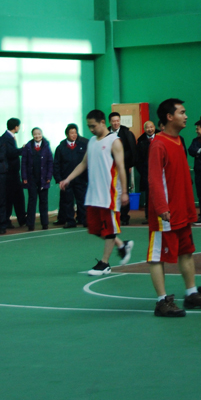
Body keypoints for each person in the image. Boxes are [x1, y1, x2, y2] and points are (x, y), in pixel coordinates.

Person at [147, 99, 201, 317]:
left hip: (182, 211)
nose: (186, 116)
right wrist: (161, 207)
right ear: (169, 117)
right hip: (165, 214)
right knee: (157, 256)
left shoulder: (179, 140)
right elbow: (154, 179)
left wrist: (188, 207)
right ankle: (162, 301)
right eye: (182, 112)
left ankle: (191, 293)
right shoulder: (158, 144)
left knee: (186, 251)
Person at [59, 109, 134, 276]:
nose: (91, 129)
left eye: (93, 126)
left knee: (109, 229)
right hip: (93, 194)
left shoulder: (114, 141)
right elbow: (83, 163)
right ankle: (122, 245)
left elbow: (121, 167)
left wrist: (124, 192)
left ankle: (104, 263)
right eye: (88, 126)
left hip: (110, 194)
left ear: (102, 122)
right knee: (95, 229)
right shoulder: (92, 141)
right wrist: (68, 179)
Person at [53, 124, 89, 228]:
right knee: (68, 201)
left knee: (82, 200)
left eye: (75, 133)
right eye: (71, 133)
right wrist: (59, 179)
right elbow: (56, 165)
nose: (74, 135)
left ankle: (84, 219)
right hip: (66, 180)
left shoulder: (83, 145)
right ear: (67, 134)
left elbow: (86, 163)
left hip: (80, 179)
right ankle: (70, 221)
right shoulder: (61, 148)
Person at [21, 128, 54, 231]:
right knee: (32, 201)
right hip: (31, 178)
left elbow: (50, 162)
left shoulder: (46, 146)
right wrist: (24, 177)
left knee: (43, 201)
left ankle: (45, 224)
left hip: (43, 179)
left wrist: (49, 177)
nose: (37, 136)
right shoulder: (28, 147)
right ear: (32, 135)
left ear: (42, 134)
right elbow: (23, 163)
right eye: (35, 134)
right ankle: (30, 224)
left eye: (39, 134)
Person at [108, 112, 136, 224]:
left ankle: (124, 216)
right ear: (110, 122)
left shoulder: (127, 133)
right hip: (109, 169)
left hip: (123, 167)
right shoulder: (106, 134)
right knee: (111, 191)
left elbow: (132, 150)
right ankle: (112, 215)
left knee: (123, 191)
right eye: (113, 121)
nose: (116, 123)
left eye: (117, 121)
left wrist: (123, 160)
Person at [3, 118, 26, 228]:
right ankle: (7, 220)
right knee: (10, 197)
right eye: (19, 126)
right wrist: (22, 149)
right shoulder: (6, 138)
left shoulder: (9, 137)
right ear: (16, 127)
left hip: (14, 173)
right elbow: (10, 153)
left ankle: (21, 219)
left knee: (17, 196)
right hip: (10, 174)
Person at [135, 120, 157, 221]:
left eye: (151, 127)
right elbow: (138, 160)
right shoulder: (141, 141)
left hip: (160, 173)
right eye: (147, 127)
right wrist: (144, 172)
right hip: (147, 173)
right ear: (144, 129)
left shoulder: (160, 137)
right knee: (149, 196)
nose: (150, 129)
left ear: (154, 127)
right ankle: (149, 216)